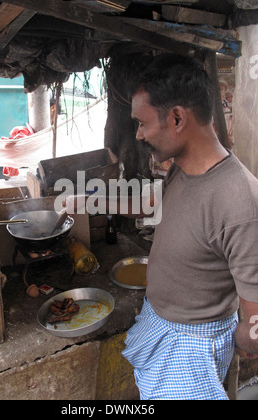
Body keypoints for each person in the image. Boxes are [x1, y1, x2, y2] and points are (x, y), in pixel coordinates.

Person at [120, 53, 258, 400]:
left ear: (177, 118)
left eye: (142, 122)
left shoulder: (240, 201)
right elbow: (152, 203)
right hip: (161, 324)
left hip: (192, 348)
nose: (138, 134)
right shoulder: (182, 167)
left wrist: (240, 340)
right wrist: (79, 202)